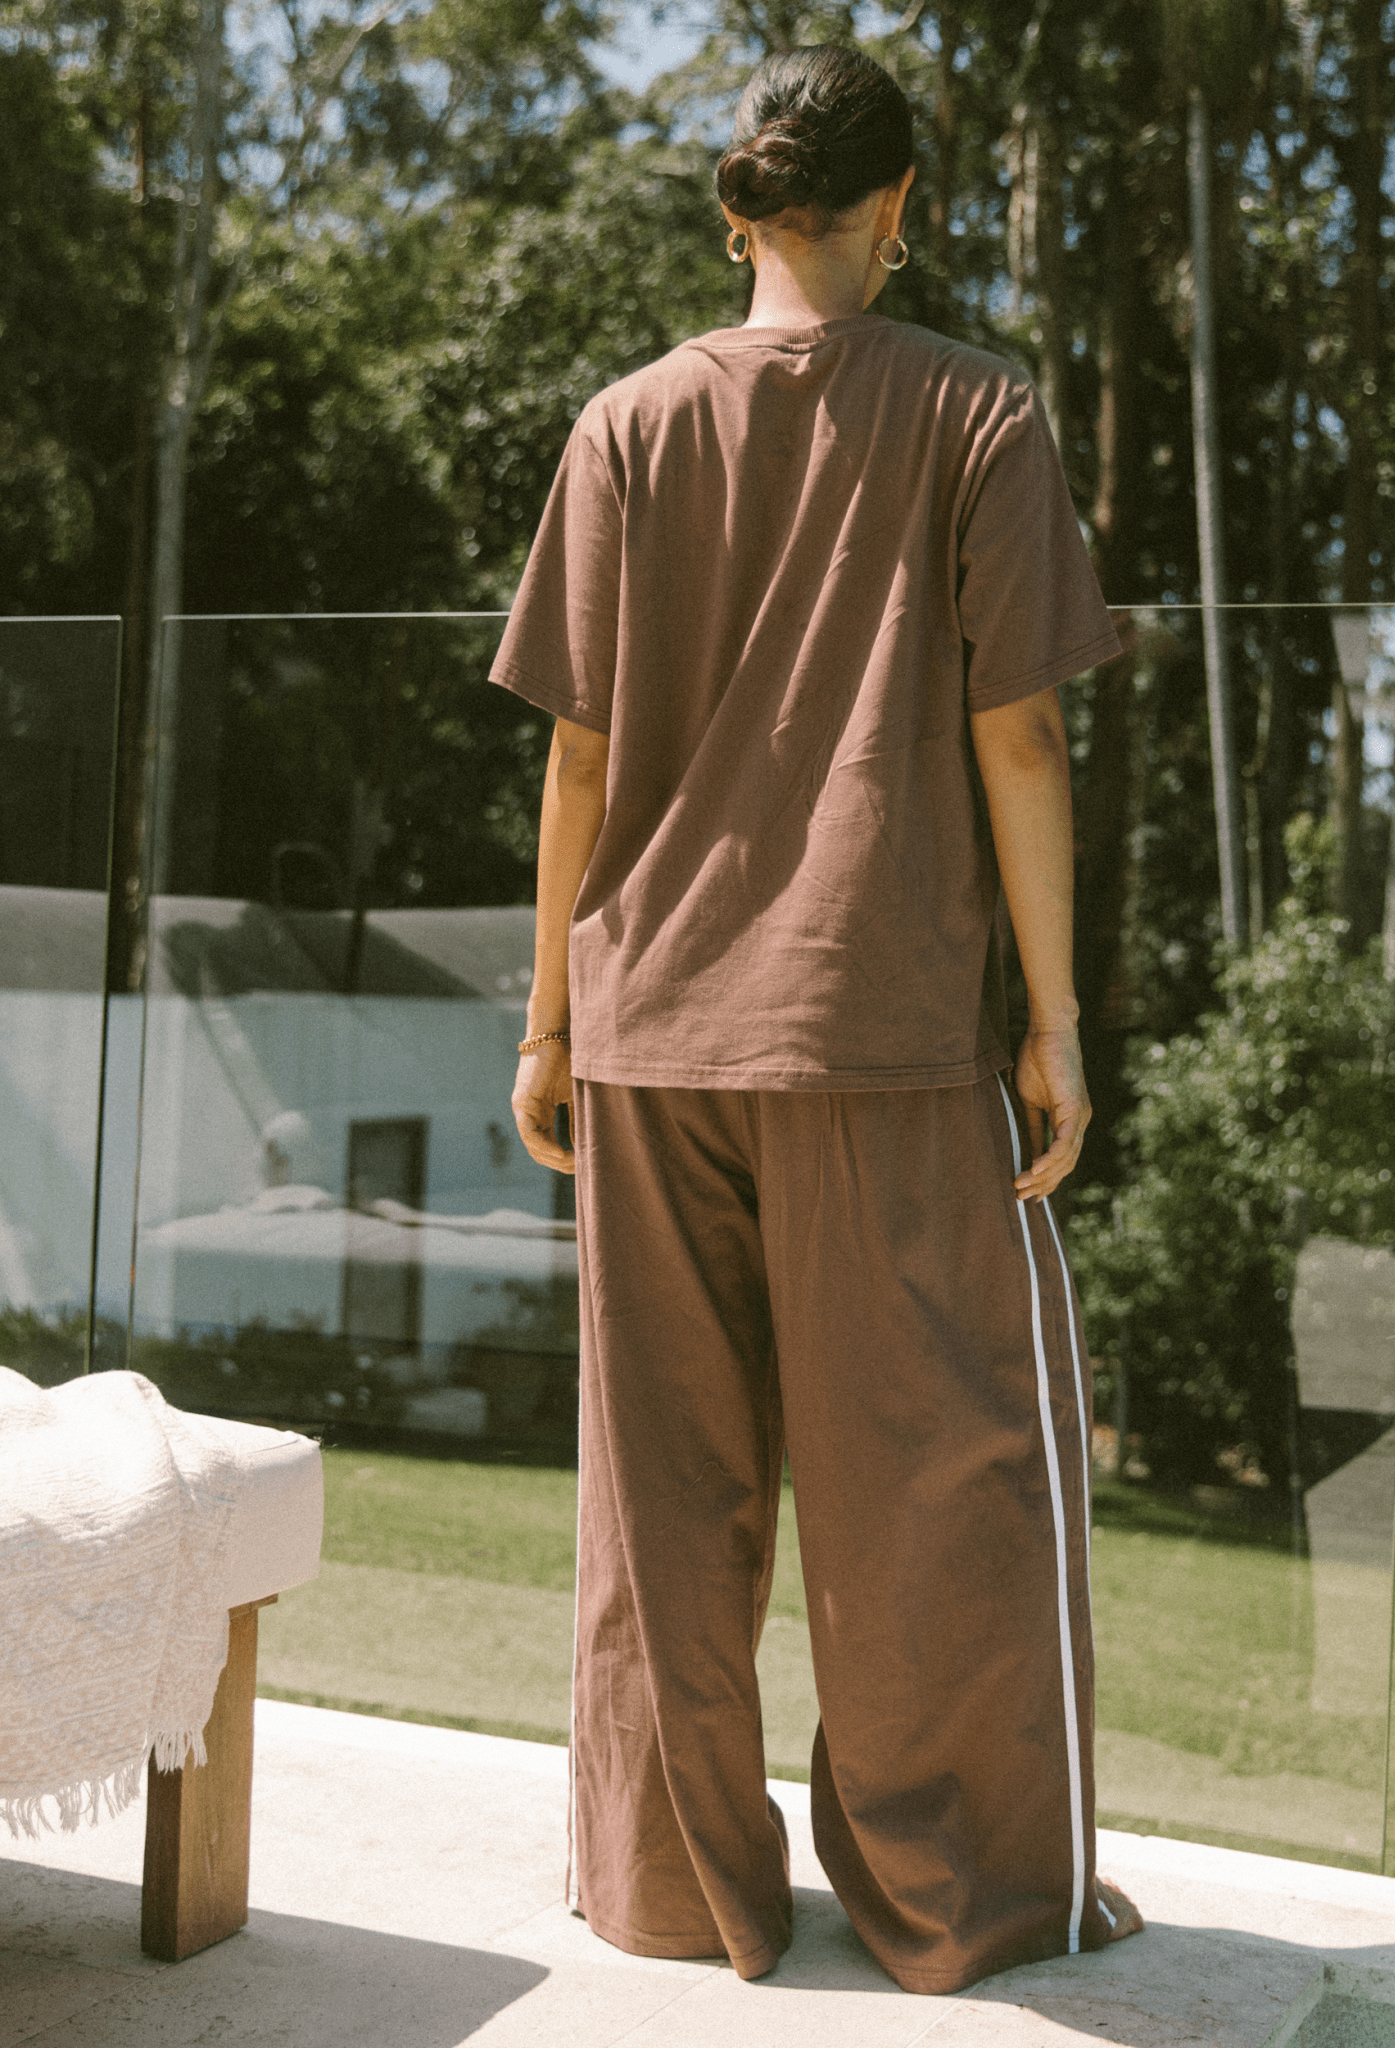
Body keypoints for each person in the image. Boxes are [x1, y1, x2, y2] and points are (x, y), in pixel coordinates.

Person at [495, 42, 1143, 1996]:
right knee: (938, 1481)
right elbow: (1020, 737)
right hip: (875, 1027)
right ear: (899, 204)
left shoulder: (625, 426)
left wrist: (547, 1023)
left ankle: (668, 1889)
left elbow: (577, 760)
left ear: (737, 212)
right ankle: (961, 1899)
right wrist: (1054, 1022)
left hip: (648, 1026)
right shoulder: (974, 409)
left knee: (660, 1495)